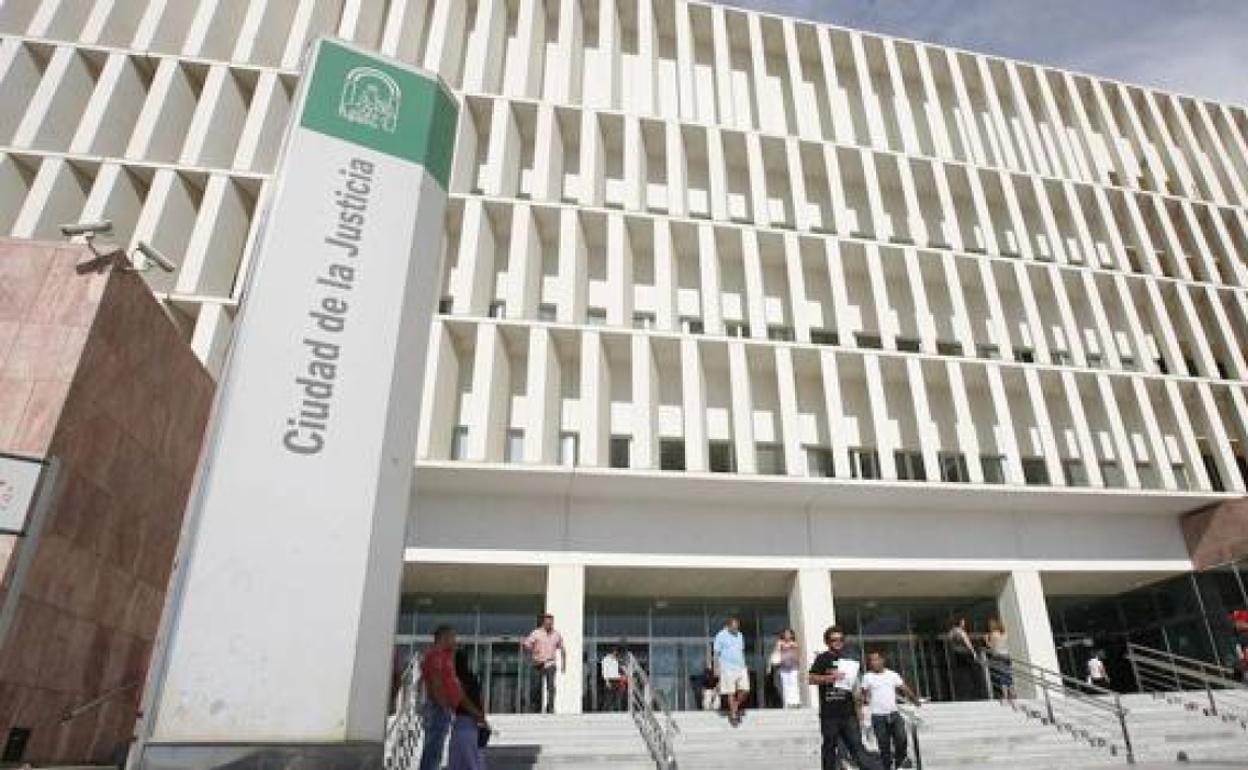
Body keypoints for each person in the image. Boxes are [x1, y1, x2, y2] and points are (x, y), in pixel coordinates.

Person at [807, 625, 881, 770]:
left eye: (840, 639)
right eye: (834, 640)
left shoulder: (849, 659)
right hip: (829, 713)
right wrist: (830, 678)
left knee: (857, 746)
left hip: (849, 712)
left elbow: (855, 686)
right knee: (829, 747)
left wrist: (859, 710)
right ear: (827, 642)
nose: (838, 642)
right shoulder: (822, 658)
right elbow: (811, 679)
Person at [419, 626, 486, 770]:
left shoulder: (444, 656)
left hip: (443, 707)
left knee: (436, 749)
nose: (455, 641)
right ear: (444, 637)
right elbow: (436, 681)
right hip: (438, 707)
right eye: (453, 637)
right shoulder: (436, 655)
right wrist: (443, 705)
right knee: (433, 749)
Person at [861, 651, 919, 770]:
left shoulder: (892, 675)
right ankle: (887, 766)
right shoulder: (867, 677)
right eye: (871, 660)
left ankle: (899, 763)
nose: (873, 663)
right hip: (878, 716)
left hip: (894, 714)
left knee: (901, 739)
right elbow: (863, 693)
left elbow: (904, 688)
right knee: (884, 745)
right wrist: (862, 706)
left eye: (876, 659)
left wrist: (915, 700)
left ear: (882, 660)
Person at [448, 648, 490, 770]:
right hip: (473, 724)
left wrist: (477, 714)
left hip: (462, 721)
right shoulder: (473, 678)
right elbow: (479, 699)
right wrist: (481, 716)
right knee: (474, 758)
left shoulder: (456, 680)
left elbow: (462, 699)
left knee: (460, 760)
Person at [522, 613, 566, 714]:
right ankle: (535, 708)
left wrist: (564, 665)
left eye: (551, 623)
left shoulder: (556, 634)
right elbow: (527, 645)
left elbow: (563, 650)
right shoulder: (536, 633)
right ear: (543, 622)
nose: (549, 624)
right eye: (547, 622)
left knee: (551, 687)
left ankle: (550, 708)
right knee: (536, 687)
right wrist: (531, 651)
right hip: (538, 663)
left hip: (550, 663)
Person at [713, 617, 750, 726]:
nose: (736, 629)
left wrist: (744, 664)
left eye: (737, 627)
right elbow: (716, 653)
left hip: (741, 667)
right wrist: (716, 668)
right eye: (734, 627)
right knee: (731, 692)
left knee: (745, 690)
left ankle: (735, 706)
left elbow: (741, 651)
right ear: (728, 626)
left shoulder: (740, 635)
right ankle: (733, 714)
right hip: (727, 667)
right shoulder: (721, 635)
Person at [947, 617, 979, 700]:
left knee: (961, 673)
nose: (964, 623)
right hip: (965, 654)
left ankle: (963, 692)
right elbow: (968, 643)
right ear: (960, 622)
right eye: (963, 622)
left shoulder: (951, 632)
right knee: (970, 672)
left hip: (956, 654)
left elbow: (951, 644)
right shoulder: (961, 632)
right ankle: (972, 691)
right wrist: (974, 653)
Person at [984, 617, 1015, 703]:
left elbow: (992, 647)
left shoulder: (993, 634)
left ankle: (1005, 695)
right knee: (1008, 674)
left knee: (1002, 676)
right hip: (1006, 656)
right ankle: (1012, 693)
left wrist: (986, 640)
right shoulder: (1004, 634)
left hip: (999, 656)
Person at [771, 628, 803, 708]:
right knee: (785, 685)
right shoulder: (780, 643)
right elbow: (776, 653)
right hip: (783, 667)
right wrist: (781, 647)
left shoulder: (795, 643)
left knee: (794, 684)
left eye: (789, 634)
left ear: (792, 635)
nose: (787, 635)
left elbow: (798, 655)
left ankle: (795, 702)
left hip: (793, 667)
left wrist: (793, 648)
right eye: (786, 634)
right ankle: (787, 702)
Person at [601, 644, 628, 711]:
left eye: (617, 652)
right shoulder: (606, 659)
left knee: (617, 697)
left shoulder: (616, 660)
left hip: (617, 680)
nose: (616, 653)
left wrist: (622, 676)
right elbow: (605, 671)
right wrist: (607, 681)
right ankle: (605, 711)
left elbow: (618, 671)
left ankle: (617, 710)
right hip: (610, 680)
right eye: (616, 652)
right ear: (613, 652)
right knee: (609, 698)